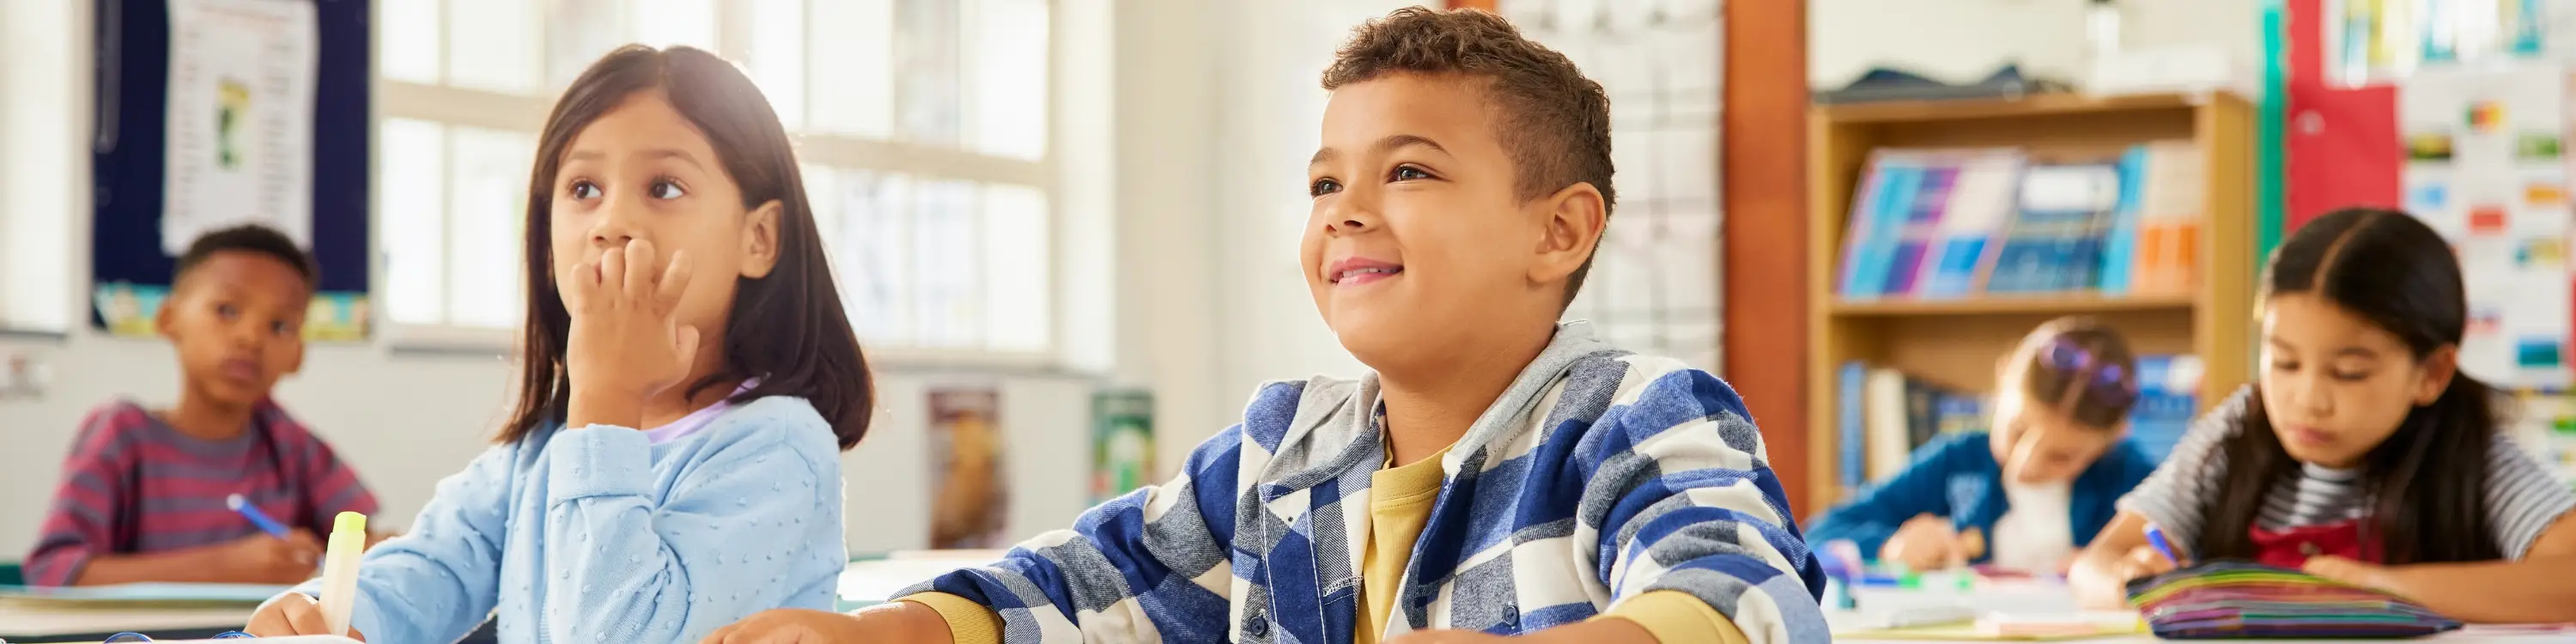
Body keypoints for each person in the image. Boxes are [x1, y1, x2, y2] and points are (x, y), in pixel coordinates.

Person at [706, 7, 1826, 644]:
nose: (1346, 207)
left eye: (1411, 169)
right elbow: (1098, 582)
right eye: (1323, 180)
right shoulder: (1283, 449)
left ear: (1559, 231)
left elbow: (1748, 593)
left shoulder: (1635, 416)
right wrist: (884, 632)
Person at [245, 44, 874, 642]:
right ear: (549, 249)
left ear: (759, 238)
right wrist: (326, 612)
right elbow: (433, 565)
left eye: (665, 187)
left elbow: (620, 634)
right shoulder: (540, 451)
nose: (612, 223)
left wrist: (608, 396)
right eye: (583, 191)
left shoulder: (779, 444)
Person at [2069, 208, 2576, 623]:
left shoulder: (2470, 452)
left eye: (2349, 373)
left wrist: (2380, 587)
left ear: (2433, 374)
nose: (2307, 399)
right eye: (2284, 362)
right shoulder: (2236, 433)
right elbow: (2093, 564)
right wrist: (2129, 581)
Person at [26, 225, 378, 586]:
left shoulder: (288, 442)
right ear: (169, 320)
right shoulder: (122, 435)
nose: (251, 337)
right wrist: (227, 567)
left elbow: (363, 538)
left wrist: (371, 552)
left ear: (297, 355)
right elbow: (51, 573)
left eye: (279, 325)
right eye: (226, 310)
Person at [1806, 317, 2157, 574]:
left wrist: (2123, 566)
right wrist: (1888, 547)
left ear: (2113, 438)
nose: (2025, 464)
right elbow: (1817, 534)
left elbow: (2183, 556)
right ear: (2001, 381)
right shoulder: (1956, 462)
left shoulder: (2129, 478)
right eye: (2017, 431)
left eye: (2062, 457)